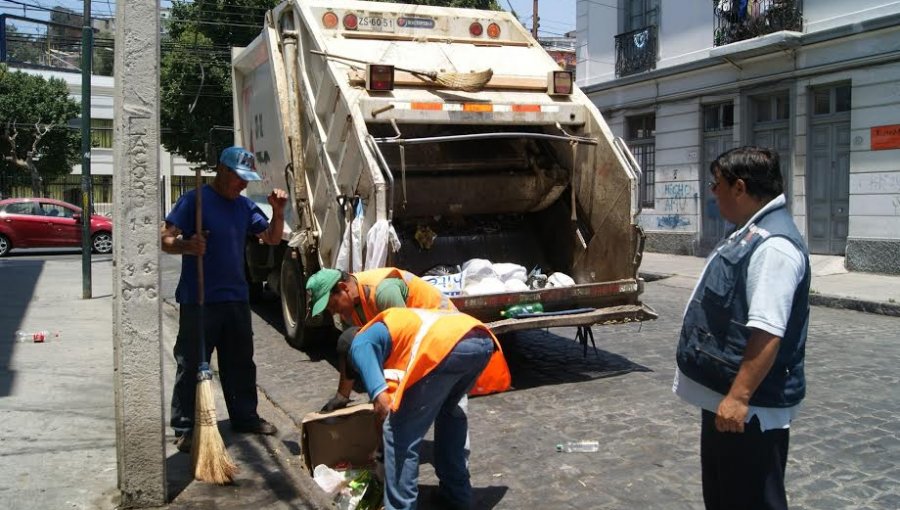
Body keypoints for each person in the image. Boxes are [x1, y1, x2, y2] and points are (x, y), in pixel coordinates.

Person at [674, 146, 810, 510]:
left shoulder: (774, 247)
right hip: (727, 400)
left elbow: (768, 332)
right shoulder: (748, 231)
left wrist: (739, 397)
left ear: (739, 188)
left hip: (749, 411)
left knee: (752, 500)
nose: (712, 193)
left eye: (716, 185)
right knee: (725, 497)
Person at [161, 146, 288, 453]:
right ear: (222, 171)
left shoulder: (244, 207)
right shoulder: (194, 202)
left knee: (240, 362)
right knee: (191, 363)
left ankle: (245, 416)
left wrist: (279, 212)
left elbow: (271, 238)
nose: (243, 185)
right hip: (199, 299)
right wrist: (187, 245)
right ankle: (185, 427)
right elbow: (165, 239)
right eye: (239, 178)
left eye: (247, 180)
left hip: (236, 298)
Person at [339, 308, 510, 510]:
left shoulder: (360, 345)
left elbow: (382, 406)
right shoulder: (388, 330)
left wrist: (381, 449)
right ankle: (456, 496)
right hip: (481, 341)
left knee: (397, 433)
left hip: (446, 347)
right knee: (449, 414)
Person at [306, 267, 460, 411]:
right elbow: (355, 349)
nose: (333, 312)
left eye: (332, 305)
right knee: (349, 340)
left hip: (450, 337)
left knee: (440, 407)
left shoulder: (383, 292)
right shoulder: (349, 307)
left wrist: (387, 396)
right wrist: (342, 398)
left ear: (344, 288)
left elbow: (404, 344)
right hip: (427, 338)